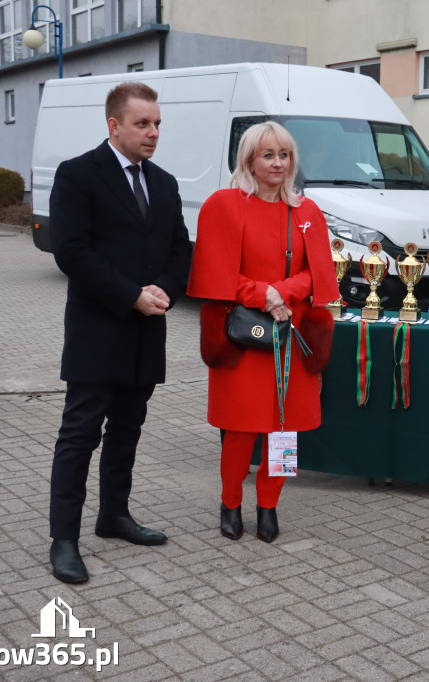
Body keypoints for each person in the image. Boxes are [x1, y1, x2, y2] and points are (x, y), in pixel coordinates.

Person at [47, 82, 192, 584]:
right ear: (114, 126)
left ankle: (114, 516)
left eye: (156, 124)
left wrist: (165, 291)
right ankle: (63, 538)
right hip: (99, 329)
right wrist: (130, 294)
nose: (153, 133)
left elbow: (180, 247)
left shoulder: (166, 182)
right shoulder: (78, 175)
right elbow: (72, 250)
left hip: (145, 332)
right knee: (80, 434)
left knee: (128, 429)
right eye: (142, 124)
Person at [187, 121, 339, 543]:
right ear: (249, 160)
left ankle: (269, 505)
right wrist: (263, 294)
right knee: (239, 428)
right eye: (267, 155)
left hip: (292, 333)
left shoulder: (306, 213)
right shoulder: (223, 205)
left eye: (284, 155)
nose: (277, 163)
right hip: (245, 336)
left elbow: (320, 273)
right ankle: (231, 501)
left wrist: (283, 292)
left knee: (283, 429)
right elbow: (215, 273)